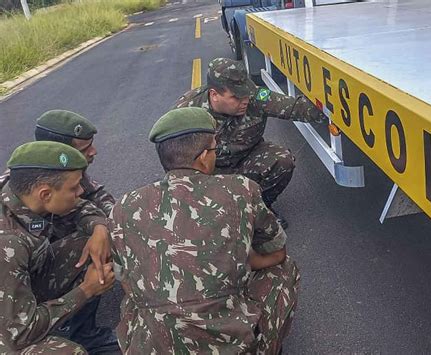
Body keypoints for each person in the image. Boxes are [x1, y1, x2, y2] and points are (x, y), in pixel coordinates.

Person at [111, 107, 300, 354]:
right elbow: (277, 253)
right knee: (284, 270)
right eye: (214, 149)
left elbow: (124, 278)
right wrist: (239, 261)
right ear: (202, 157)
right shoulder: (240, 189)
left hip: (153, 347)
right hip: (230, 346)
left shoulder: (123, 206)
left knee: (136, 300)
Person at [0, 109, 118, 352]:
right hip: (10, 325)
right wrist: (86, 290)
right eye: (74, 188)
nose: (81, 192)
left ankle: (84, 334)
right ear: (45, 194)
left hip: (24, 280)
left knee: (93, 244)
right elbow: (19, 332)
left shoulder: (31, 184)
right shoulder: (8, 242)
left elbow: (85, 205)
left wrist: (99, 228)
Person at [174, 58, 326, 228]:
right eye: (236, 97)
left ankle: (259, 210)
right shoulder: (187, 111)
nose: (245, 100)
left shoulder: (254, 97)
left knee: (282, 160)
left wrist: (332, 108)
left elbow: (294, 108)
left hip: (246, 161)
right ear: (214, 95)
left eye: (246, 93)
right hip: (210, 171)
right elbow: (175, 162)